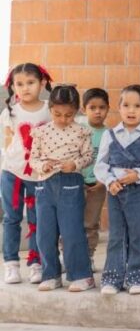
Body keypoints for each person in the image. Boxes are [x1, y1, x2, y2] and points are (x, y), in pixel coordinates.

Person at [94, 85, 140, 295]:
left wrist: (139, 174)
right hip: (115, 191)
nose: (131, 110)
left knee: (138, 234)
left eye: (137, 106)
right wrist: (110, 181)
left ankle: (137, 277)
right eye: (126, 105)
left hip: (139, 190)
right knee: (116, 235)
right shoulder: (110, 134)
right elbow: (101, 164)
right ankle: (112, 278)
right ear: (119, 107)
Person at [29, 85, 94, 292]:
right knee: (44, 234)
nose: (63, 119)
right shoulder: (41, 132)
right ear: (50, 109)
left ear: (76, 111)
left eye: (69, 115)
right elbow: (33, 159)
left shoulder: (81, 132)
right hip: (45, 185)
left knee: (71, 232)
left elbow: (88, 156)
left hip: (71, 183)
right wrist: (43, 166)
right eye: (57, 114)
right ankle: (51, 274)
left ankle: (82, 275)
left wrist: (74, 164)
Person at [1, 63, 52, 285]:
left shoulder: (50, 109)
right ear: (13, 87)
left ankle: (36, 263)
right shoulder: (10, 112)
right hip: (12, 172)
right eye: (19, 84)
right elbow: (8, 140)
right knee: (11, 218)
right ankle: (11, 264)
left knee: (37, 219)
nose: (25, 88)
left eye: (30, 83)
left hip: (39, 175)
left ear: (42, 83)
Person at [79, 88, 109, 271]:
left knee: (91, 223)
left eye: (102, 107)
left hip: (98, 185)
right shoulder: (78, 130)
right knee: (72, 221)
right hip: (76, 184)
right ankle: (68, 255)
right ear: (84, 109)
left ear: (108, 109)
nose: (98, 112)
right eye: (92, 107)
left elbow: (111, 161)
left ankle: (88, 256)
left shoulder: (110, 134)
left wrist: (102, 180)